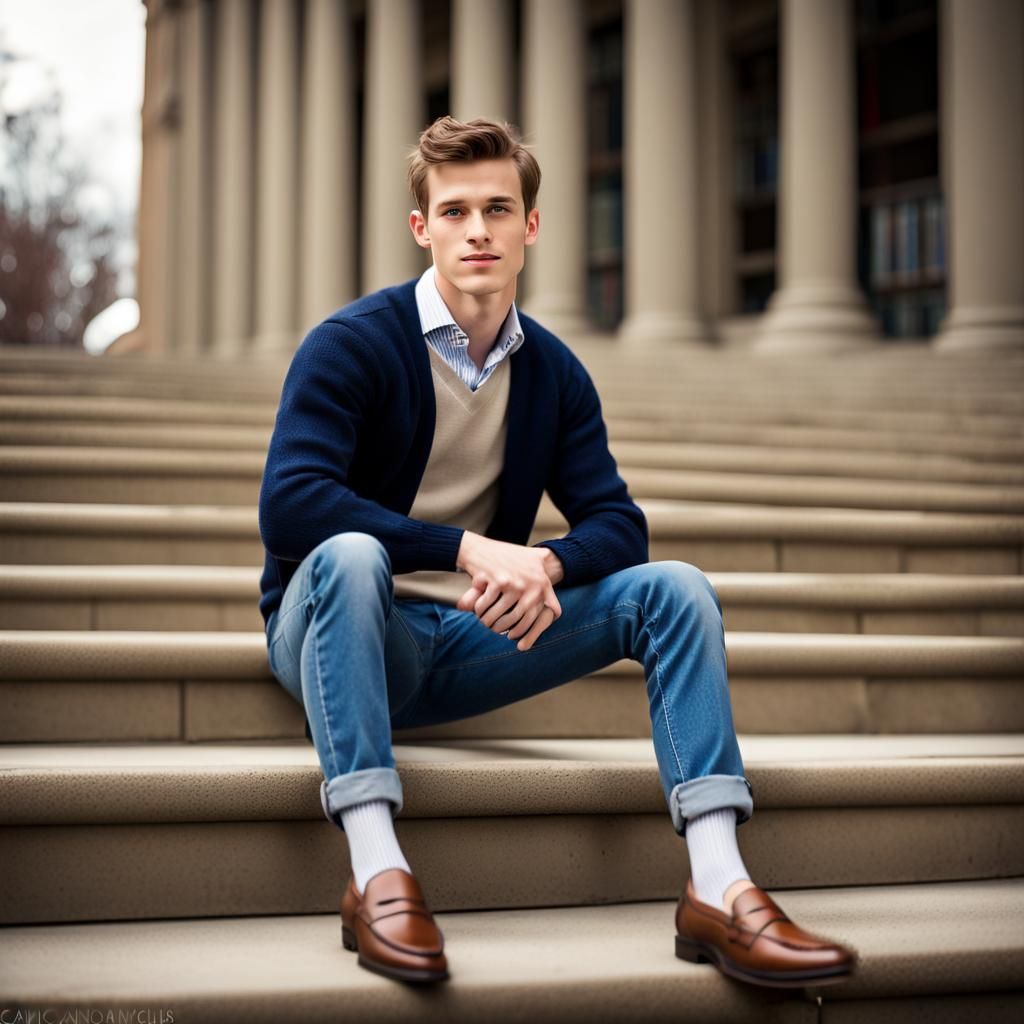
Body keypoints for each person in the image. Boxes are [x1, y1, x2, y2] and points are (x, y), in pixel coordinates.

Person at [258, 115, 857, 989]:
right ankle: (377, 870)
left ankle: (721, 885)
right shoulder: (351, 345)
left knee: (675, 587)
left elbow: (619, 522)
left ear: (530, 228)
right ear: (421, 227)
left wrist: (545, 565)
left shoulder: (554, 371)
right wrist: (468, 549)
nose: (478, 230)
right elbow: (291, 505)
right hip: (337, 629)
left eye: (498, 209)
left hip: (469, 641)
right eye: (455, 211)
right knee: (350, 553)